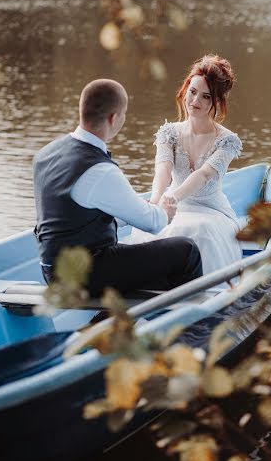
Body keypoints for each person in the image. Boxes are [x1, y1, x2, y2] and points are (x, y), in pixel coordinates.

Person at [33, 79, 202, 298]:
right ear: (114, 118)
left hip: (51, 269)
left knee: (148, 263)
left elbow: (75, 215)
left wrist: (139, 210)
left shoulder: (46, 154)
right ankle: (194, 327)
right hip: (83, 274)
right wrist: (164, 213)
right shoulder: (99, 170)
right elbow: (152, 223)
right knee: (186, 252)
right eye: (124, 114)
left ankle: (115, 319)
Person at [127, 54, 243, 275]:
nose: (195, 101)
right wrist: (155, 200)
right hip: (173, 203)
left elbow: (203, 175)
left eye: (205, 97)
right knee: (149, 227)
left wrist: (174, 197)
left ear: (217, 101)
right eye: (193, 92)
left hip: (211, 210)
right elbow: (163, 170)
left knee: (199, 230)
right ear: (186, 89)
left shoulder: (227, 141)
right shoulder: (169, 133)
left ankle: (201, 294)